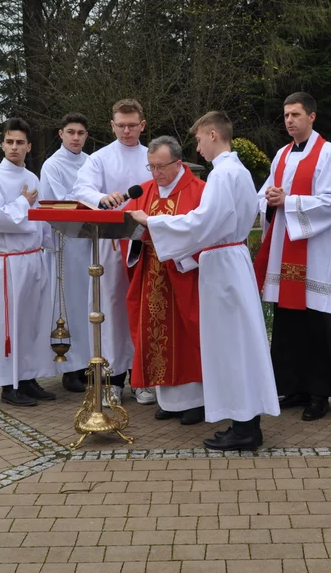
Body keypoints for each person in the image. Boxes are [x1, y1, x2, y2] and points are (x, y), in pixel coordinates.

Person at [129, 111, 280, 451]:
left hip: (224, 266)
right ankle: (243, 423)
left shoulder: (223, 174)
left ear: (213, 135)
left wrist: (152, 221)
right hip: (229, 261)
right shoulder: (235, 171)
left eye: (198, 139)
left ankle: (245, 429)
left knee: (231, 347)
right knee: (236, 346)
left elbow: (202, 222)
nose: (196, 147)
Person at [254, 92, 331, 422]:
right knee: (290, 323)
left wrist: (290, 201)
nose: (289, 120)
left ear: (312, 117)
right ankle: (293, 385)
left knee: (317, 323)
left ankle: (319, 393)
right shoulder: (281, 155)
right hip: (286, 255)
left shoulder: (330, 154)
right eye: (285, 115)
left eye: (295, 114)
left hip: (317, 256)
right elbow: (266, 194)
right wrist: (268, 199)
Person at [71, 99, 153, 405]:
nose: (127, 131)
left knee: (147, 305)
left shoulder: (152, 156)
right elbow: (81, 189)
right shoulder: (100, 158)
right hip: (111, 242)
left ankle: (143, 378)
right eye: (121, 125)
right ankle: (114, 379)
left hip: (147, 241)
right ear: (112, 125)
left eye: (133, 125)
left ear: (142, 125)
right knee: (115, 309)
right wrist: (102, 197)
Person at [124, 136, 207, 425]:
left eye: (161, 167)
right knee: (154, 336)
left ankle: (197, 402)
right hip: (151, 276)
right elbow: (131, 233)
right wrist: (138, 236)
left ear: (178, 163)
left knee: (187, 337)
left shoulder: (199, 191)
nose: (156, 173)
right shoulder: (144, 191)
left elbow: (204, 234)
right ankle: (169, 400)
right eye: (151, 167)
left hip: (185, 277)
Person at [0, 118, 57, 407]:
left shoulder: (32, 178)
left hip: (34, 258)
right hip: (9, 262)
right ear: (2, 143)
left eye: (20, 142)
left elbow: (40, 219)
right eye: (9, 141)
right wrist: (23, 203)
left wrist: (53, 239)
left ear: (28, 146)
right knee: (8, 325)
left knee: (33, 322)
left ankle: (28, 377)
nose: (14, 147)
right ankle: (8, 384)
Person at [39, 113, 93, 394]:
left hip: (91, 241)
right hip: (66, 243)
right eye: (70, 132)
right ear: (60, 134)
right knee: (69, 306)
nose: (75, 138)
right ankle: (70, 368)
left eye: (81, 133)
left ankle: (89, 364)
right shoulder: (52, 165)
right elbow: (61, 203)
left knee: (89, 304)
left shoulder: (90, 163)